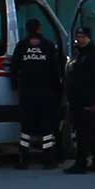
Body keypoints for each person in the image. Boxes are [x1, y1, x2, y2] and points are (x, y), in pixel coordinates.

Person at [9, 19, 62, 170]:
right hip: (46, 93)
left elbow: (14, 68)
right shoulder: (48, 45)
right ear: (39, 29)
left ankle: (23, 160)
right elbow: (55, 69)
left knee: (26, 128)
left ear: (27, 29)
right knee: (46, 128)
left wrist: (15, 86)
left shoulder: (22, 45)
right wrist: (58, 89)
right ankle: (49, 160)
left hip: (27, 93)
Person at [64, 26, 95, 175]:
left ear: (89, 38)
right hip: (77, 99)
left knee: (83, 133)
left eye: (83, 37)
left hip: (88, 101)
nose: (80, 39)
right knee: (91, 132)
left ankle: (80, 163)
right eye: (78, 37)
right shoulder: (78, 53)